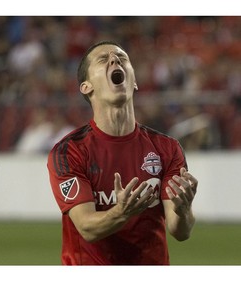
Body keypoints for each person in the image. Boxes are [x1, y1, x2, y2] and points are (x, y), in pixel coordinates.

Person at [47, 40, 198, 265]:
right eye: (103, 59)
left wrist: (184, 210)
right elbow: (87, 227)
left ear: (134, 81)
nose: (115, 60)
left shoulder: (167, 148)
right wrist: (121, 212)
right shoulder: (68, 152)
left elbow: (180, 231)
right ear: (86, 86)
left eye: (121, 58)